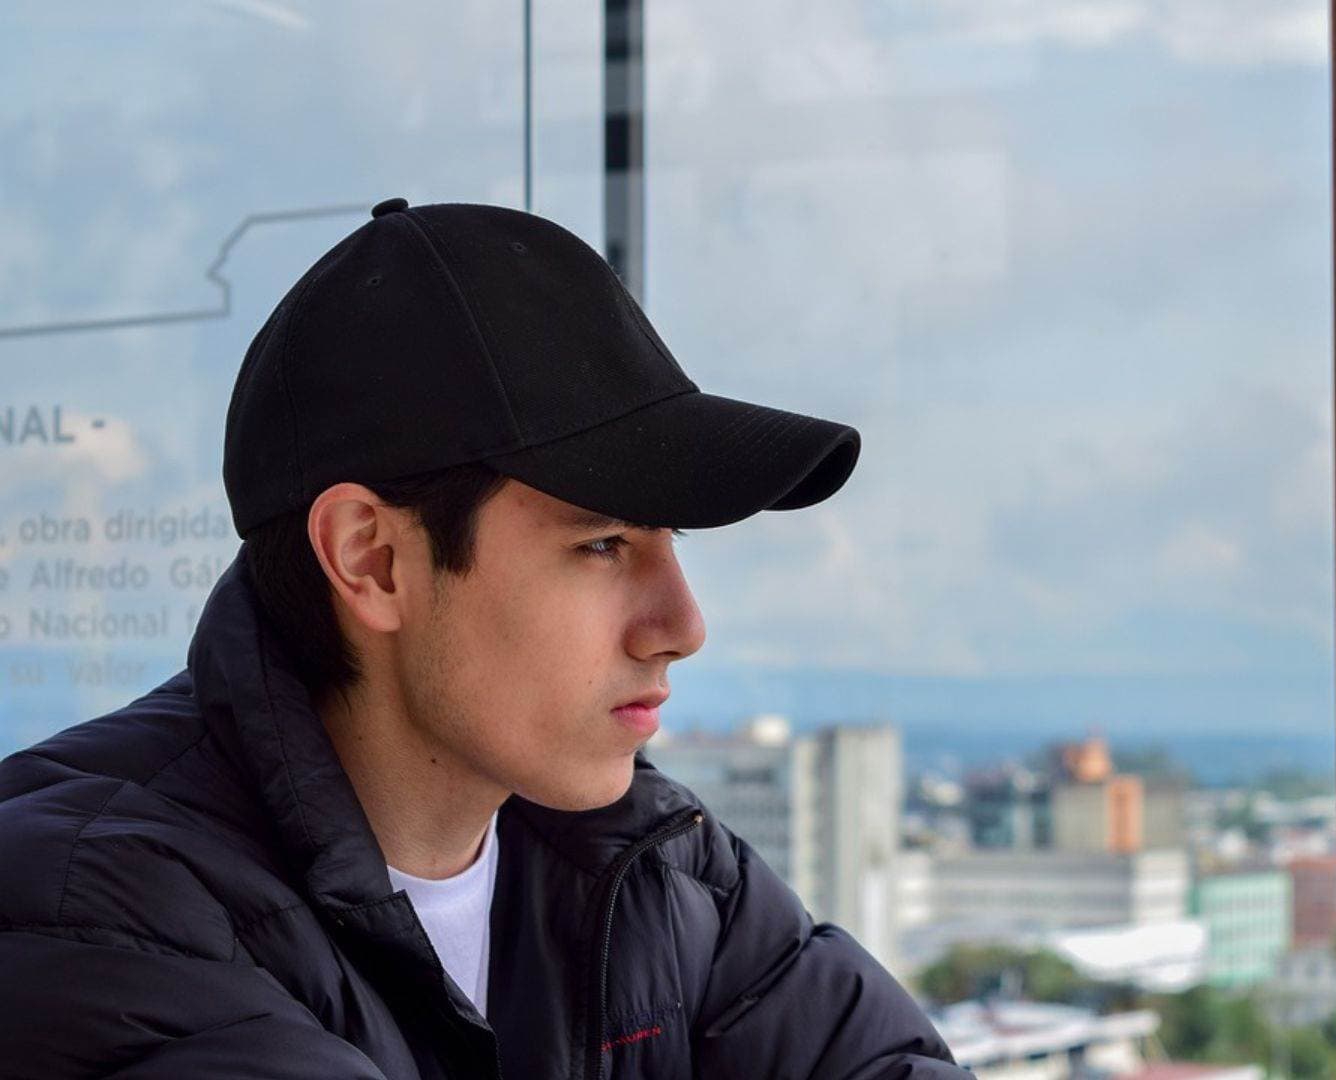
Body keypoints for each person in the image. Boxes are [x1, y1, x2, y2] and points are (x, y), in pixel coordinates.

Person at [0, 199, 974, 1078]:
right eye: (602, 544)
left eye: (667, 542)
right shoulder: (88, 905)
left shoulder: (659, 875)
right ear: (372, 560)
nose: (681, 627)